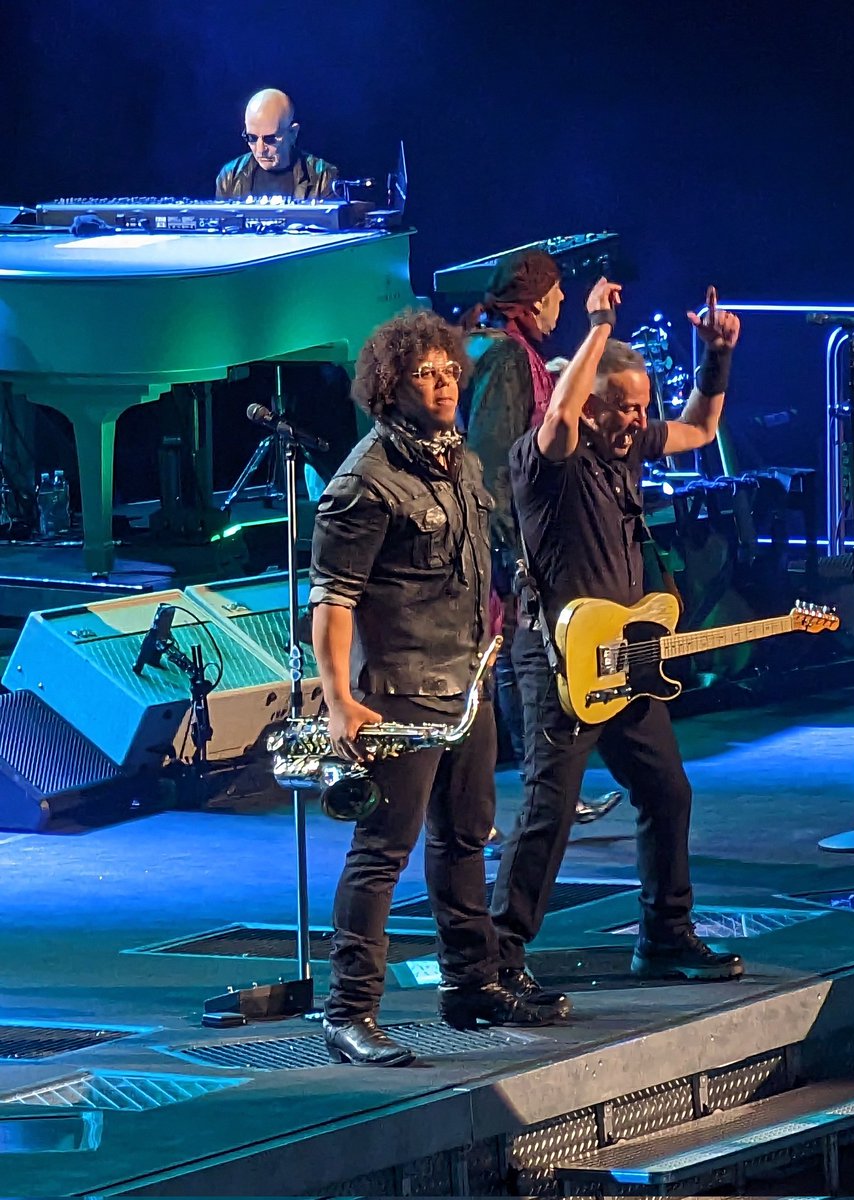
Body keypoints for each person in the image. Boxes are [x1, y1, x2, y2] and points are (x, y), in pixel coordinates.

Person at [310, 310, 558, 1067]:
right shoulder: (365, 482)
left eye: (449, 370)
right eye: (425, 373)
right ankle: (349, 1011)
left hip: (466, 682)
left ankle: (471, 984)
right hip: (400, 692)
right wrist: (339, 700)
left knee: (463, 838)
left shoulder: (462, 464)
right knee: (382, 849)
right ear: (391, 386)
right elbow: (332, 601)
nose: (444, 383)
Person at [491, 278, 745, 1012]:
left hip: (627, 654)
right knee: (548, 809)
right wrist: (597, 329)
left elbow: (697, 428)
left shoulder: (625, 452)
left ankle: (664, 935)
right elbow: (560, 412)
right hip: (557, 659)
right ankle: (498, 962)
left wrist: (715, 358)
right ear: (590, 404)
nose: (638, 420)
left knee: (666, 791)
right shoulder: (547, 459)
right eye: (624, 407)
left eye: (640, 407)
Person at [464, 250, 622, 825]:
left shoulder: (507, 349)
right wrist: (510, 549)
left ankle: (547, 790)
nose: (560, 302)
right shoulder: (506, 355)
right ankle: (541, 792)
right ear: (534, 301)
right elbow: (493, 458)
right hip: (503, 545)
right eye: (556, 293)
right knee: (513, 664)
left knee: (508, 664)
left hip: (505, 543)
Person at [216, 88, 338, 200]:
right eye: (252, 138)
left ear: (293, 132)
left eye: (270, 139)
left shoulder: (323, 177)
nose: (260, 150)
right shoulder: (230, 176)